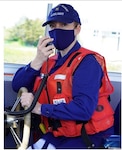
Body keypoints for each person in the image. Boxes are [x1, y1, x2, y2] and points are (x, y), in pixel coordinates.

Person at [12, 3, 115, 149]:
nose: (57, 29)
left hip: (88, 135)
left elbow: (83, 110)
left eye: (64, 25)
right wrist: (38, 60)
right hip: (59, 133)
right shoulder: (48, 60)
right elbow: (17, 85)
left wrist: (39, 108)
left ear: (77, 28)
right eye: (53, 26)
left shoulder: (87, 63)